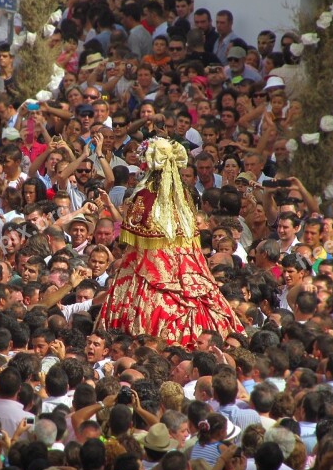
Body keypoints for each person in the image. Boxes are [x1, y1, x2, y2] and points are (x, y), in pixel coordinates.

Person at [99, 137, 242, 346]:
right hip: (184, 262)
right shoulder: (183, 194)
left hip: (148, 264)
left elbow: (131, 231)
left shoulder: (145, 195)